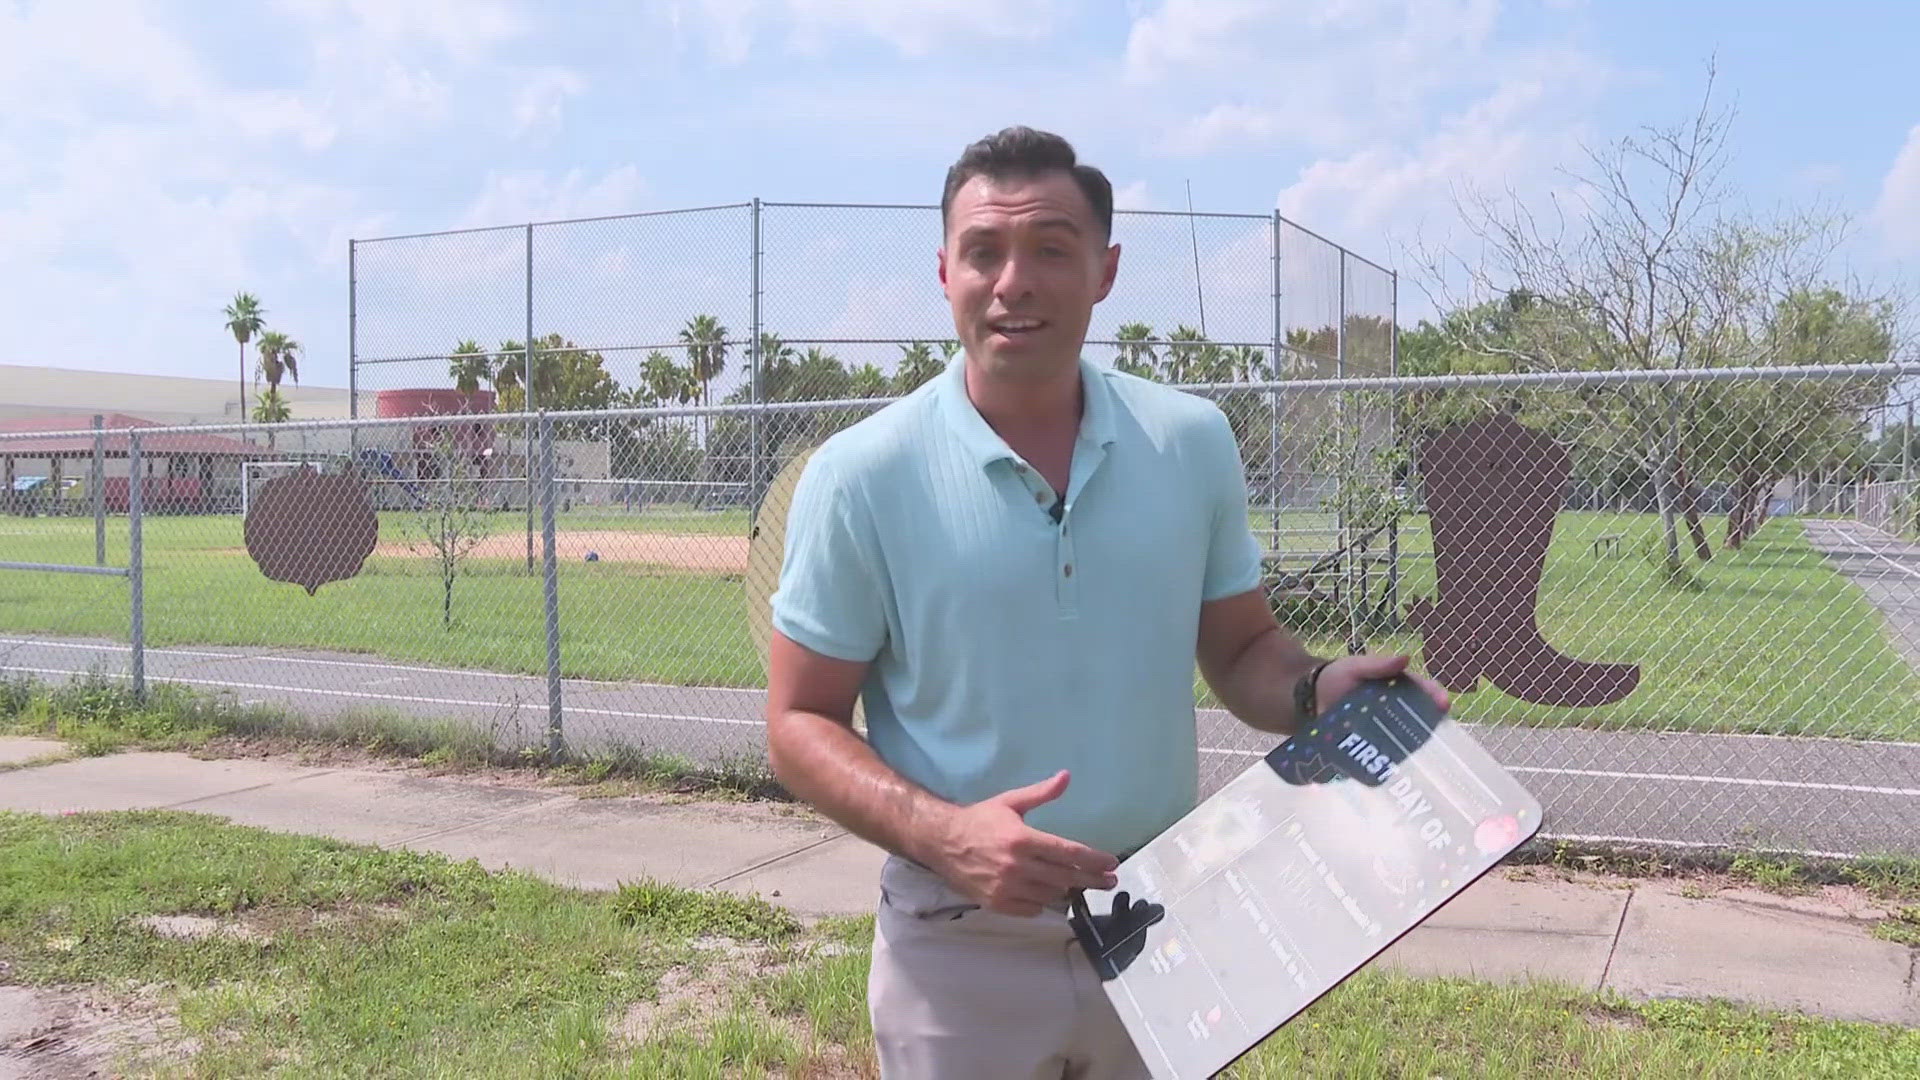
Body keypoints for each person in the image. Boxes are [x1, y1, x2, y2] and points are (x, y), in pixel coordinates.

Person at [765, 126, 1449, 1079]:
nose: (1015, 281)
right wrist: (946, 835)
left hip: (1158, 920)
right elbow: (798, 721)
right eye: (984, 252)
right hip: (961, 943)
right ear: (945, 271)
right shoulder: (861, 476)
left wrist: (1318, 688)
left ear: (1105, 270)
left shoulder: (1191, 441)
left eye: (1051, 248)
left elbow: (1243, 647)